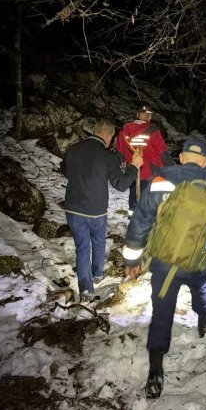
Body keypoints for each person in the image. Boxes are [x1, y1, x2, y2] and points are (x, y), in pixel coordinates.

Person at [122, 135, 206, 399]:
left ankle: (155, 368)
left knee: (162, 312)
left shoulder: (161, 181)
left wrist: (132, 258)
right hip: (197, 262)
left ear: (181, 157)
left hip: (164, 263)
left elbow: (141, 220)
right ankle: (203, 318)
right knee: (200, 290)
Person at [61, 119, 143, 303]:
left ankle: (86, 289)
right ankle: (97, 274)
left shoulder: (73, 150)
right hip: (96, 210)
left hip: (73, 208)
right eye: (112, 137)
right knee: (97, 242)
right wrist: (134, 166)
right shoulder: (107, 157)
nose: (112, 140)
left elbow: (65, 170)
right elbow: (121, 185)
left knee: (82, 248)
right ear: (107, 135)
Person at [115, 104, 173, 212]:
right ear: (149, 117)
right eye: (147, 115)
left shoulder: (125, 129)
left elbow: (119, 149)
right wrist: (172, 166)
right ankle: (145, 218)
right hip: (150, 172)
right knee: (149, 198)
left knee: (134, 194)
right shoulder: (152, 129)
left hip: (132, 170)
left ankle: (133, 216)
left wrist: (122, 160)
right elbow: (162, 151)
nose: (147, 117)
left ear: (137, 115)